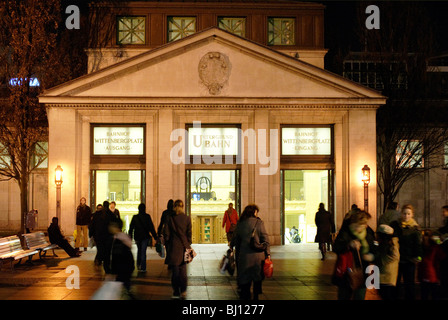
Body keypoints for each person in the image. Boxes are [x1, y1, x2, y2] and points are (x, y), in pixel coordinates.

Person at [230, 204, 270, 301]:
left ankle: (245, 296)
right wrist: (268, 254)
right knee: (257, 277)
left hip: (244, 257)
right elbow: (265, 239)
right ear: (254, 212)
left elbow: (234, 241)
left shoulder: (240, 223)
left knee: (245, 280)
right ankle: (256, 296)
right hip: (258, 256)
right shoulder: (259, 223)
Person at [333, 210, 375, 300]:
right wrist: (349, 244)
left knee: (360, 296)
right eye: (357, 226)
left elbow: (374, 249)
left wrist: (371, 256)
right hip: (347, 271)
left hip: (363, 271)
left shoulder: (368, 234)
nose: (359, 228)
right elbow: (336, 247)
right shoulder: (345, 232)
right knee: (344, 295)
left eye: (363, 226)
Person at [163, 199, 192, 300]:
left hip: (173, 247)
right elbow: (189, 234)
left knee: (175, 271)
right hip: (184, 247)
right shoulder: (187, 218)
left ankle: (176, 291)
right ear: (183, 207)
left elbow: (166, 234)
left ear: (174, 207)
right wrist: (187, 244)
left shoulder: (169, 218)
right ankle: (183, 290)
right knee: (183, 270)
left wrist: (167, 244)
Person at [396, 204, 422, 300]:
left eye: (408, 214)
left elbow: (418, 244)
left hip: (409, 260)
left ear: (412, 215)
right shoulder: (396, 225)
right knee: (396, 283)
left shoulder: (415, 228)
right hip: (398, 259)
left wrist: (418, 256)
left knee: (409, 284)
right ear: (401, 214)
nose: (406, 216)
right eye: (404, 213)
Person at [90, 201, 120, 273]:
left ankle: (99, 261)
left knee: (100, 250)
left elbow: (92, 225)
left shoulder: (97, 214)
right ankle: (106, 266)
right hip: (108, 236)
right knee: (108, 252)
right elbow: (116, 224)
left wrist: (91, 234)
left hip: (99, 236)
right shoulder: (111, 215)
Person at [129, 203, 158, 272]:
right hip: (145, 236)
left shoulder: (135, 217)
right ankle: (143, 267)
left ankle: (138, 264)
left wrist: (130, 237)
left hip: (137, 237)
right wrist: (155, 237)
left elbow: (131, 228)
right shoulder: (147, 217)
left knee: (139, 250)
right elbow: (151, 227)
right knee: (143, 251)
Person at [109, 219, 135, 296]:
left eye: (111, 226)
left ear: (116, 227)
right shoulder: (123, 237)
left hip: (122, 267)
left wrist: (113, 270)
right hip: (127, 266)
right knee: (125, 284)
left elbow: (117, 256)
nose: (109, 227)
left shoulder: (118, 240)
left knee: (119, 286)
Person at [418, 230, 446, 300]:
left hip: (424, 274)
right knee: (433, 294)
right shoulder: (435, 247)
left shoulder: (421, 248)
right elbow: (442, 257)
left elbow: (419, 259)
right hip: (432, 274)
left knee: (425, 294)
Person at [375, 223, 400, 300]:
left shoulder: (392, 244)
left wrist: (381, 260)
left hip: (387, 276)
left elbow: (395, 256)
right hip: (385, 275)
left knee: (386, 295)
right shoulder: (386, 243)